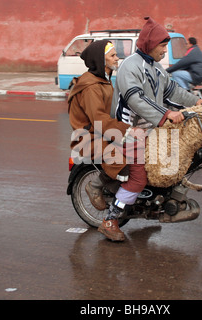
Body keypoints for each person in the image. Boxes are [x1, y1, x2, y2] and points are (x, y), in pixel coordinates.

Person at [107, 17, 202, 241]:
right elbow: (137, 100)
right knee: (138, 179)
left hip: (150, 126)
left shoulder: (155, 67)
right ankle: (110, 219)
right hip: (128, 130)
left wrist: (195, 102)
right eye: (162, 45)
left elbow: (173, 90)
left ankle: (153, 206)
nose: (165, 50)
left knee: (176, 156)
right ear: (151, 44)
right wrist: (166, 114)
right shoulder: (129, 67)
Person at [68, 40, 130, 229]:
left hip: (102, 131)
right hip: (89, 137)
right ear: (100, 60)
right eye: (112, 56)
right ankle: (94, 186)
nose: (117, 58)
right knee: (123, 160)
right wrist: (126, 130)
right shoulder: (91, 87)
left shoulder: (104, 79)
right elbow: (98, 119)